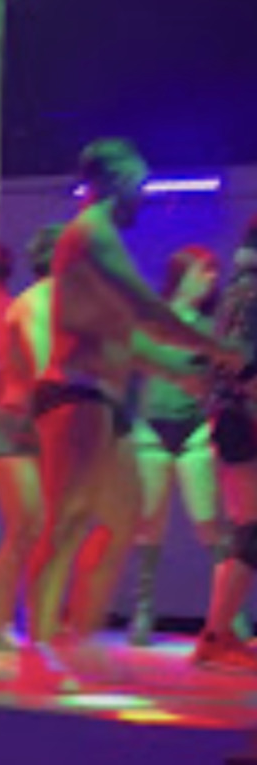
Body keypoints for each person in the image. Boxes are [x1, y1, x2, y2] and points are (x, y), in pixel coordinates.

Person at [26, 138, 243, 678]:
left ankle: (76, 638)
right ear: (117, 182)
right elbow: (145, 310)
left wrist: (178, 370)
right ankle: (40, 646)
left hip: (104, 400)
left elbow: (125, 334)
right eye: (140, 186)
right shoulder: (91, 232)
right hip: (75, 393)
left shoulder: (99, 239)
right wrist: (216, 347)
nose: (143, 197)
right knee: (68, 522)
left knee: (122, 522)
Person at [128, 246, 227, 645]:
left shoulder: (211, 327)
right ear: (183, 274)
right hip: (152, 427)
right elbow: (132, 366)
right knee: (149, 523)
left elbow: (223, 379)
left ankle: (225, 615)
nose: (211, 279)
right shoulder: (153, 319)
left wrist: (211, 421)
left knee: (208, 523)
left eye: (214, 272)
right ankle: (143, 610)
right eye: (205, 270)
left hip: (194, 428)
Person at [0, 225, 63, 650]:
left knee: (44, 527)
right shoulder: (33, 303)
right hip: (13, 425)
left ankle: (37, 621)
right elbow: (42, 366)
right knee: (26, 525)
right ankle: (1, 626)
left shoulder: (62, 302)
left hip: (44, 423)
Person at [197, 218, 257, 670]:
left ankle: (218, 635)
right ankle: (216, 637)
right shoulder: (251, 292)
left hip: (232, 417)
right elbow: (236, 359)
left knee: (246, 528)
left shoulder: (241, 288)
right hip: (242, 418)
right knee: (251, 530)